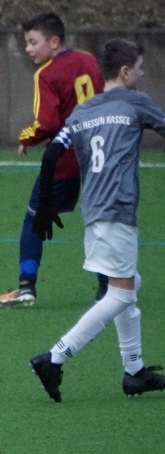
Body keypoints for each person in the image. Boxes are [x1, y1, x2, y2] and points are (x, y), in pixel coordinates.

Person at [29, 38, 165, 402]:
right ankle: (55, 357)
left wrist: (45, 206)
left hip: (93, 211)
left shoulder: (83, 111)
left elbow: (51, 154)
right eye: (140, 67)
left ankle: (134, 371)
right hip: (118, 208)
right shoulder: (135, 102)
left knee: (128, 283)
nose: (142, 74)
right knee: (120, 293)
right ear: (125, 71)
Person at [0, 13, 109, 307]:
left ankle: (26, 285)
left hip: (66, 158)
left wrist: (26, 138)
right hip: (100, 153)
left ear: (54, 41)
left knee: (35, 217)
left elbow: (47, 123)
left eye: (33, 42)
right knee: (99, 219)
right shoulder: (89, 60)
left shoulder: (46, 74)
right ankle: (108, 287)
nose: (28, 49)